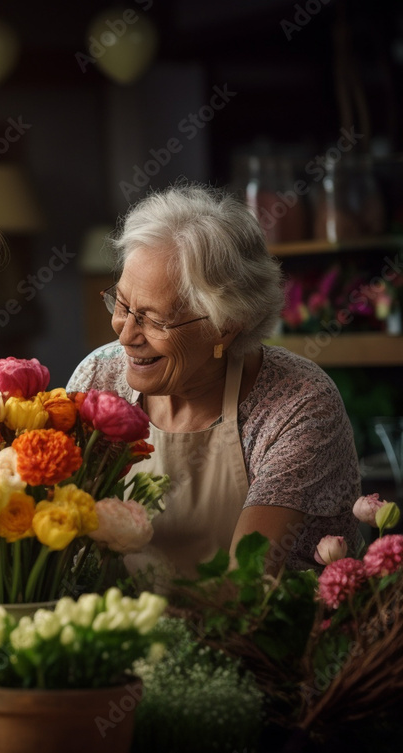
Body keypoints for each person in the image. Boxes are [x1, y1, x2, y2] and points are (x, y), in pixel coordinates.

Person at [68, 184, 360, 581]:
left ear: (225, 326)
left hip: (253, 634)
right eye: (122, 305)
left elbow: (248, 580)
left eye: (154, 319)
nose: (125, 334)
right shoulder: (99, 377)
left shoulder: (298, 403)